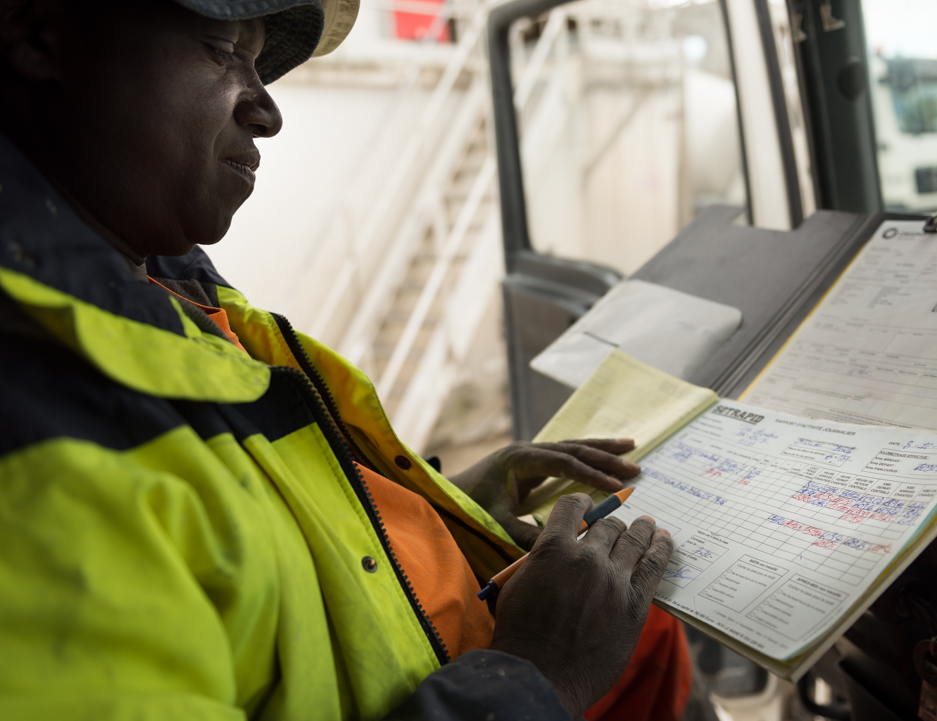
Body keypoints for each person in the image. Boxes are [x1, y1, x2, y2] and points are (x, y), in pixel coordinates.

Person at [0, 0, 701, 718]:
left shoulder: (170, 292)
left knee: (651, 633)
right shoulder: (32, 432)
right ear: (38, 36)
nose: (267, 113)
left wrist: (440, 500)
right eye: (219, 49)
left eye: (258, 58)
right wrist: (534, 676)